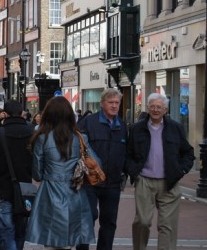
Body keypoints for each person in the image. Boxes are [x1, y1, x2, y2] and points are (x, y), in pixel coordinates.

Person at [125, 93, 195, 250]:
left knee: (167, 226)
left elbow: (188, 153)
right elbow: (128, 154)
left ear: (165, 110)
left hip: (169, 182)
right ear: (148, 108)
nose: (155, 110)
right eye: (152, 106)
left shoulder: (175, 128)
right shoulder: (137, 128)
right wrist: (133, 171)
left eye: (159, 107)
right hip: (144, 181)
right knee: (142, 221)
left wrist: (181, 170)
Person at [26, 96, 96, 248]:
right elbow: (95, 163)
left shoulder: (42, 139)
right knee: (71, 238)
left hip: (49, 191)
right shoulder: (80, 138)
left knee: (50, 239)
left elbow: (37, 174)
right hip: (75, 191)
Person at [76, 88, 127, 250]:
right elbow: (78, 147)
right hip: (90, 182)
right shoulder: (89, 122)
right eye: (110, 102)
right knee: (88, 217)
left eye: (117, 103)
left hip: (113, 182)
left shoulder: (123, 126)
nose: (114, 106)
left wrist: (125, 172)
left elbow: (127, 151)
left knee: (109, 221)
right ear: (102, 104)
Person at [0, 100, 34, 250]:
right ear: (22, 113)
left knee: (6, 232)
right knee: (20, 231)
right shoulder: (32, 132)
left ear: (4, 113)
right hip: (25, 189)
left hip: (3, 189)